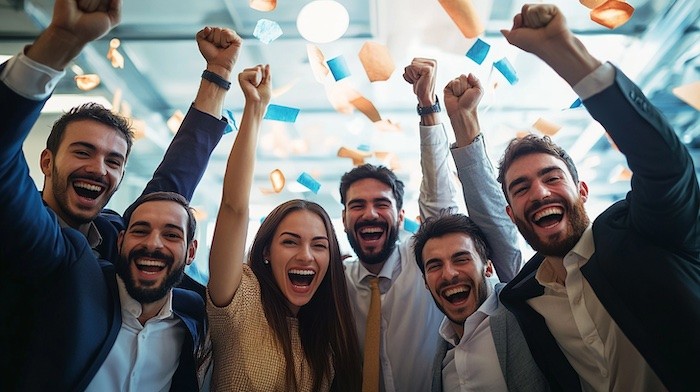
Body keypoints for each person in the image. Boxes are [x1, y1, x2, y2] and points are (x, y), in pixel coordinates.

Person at [0, 0, 240, 389]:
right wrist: (60, 42)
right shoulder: (23, 227)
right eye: (82, 151)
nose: (98, 169)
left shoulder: (113, 238)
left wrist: (217, 76)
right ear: (46, 161)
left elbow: (170, 191)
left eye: (114, 160)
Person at [495, 4, 700, 391]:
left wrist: (565, 53)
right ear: (511, 212)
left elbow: (664, 165)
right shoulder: (524, 300)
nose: (539, 193)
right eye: (521, 189)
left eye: (551, 178)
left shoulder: (649, 234)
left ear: (582, 190)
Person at [340, 58, 521, 392]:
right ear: (344, 219)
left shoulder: (426, 261)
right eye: (357, 205)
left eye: (382, 204)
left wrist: (428, 106)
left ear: (399, 215)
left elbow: (439, 202)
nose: (369, 214)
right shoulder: (336, 282)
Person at [206, 64, 362, 391]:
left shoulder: (327, 332)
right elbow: (234, 208)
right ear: (266, 251)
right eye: (290, 242)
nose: (306, 255)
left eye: (319, 245)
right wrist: (254, 110)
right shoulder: (240, 299)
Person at [410, 72, 546, 392]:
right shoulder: (441, 359)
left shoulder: (519, 309)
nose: (449, 274)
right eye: (434, 266)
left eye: (461, 258)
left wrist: (464, 120)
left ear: (488, 266)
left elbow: (496, 227)